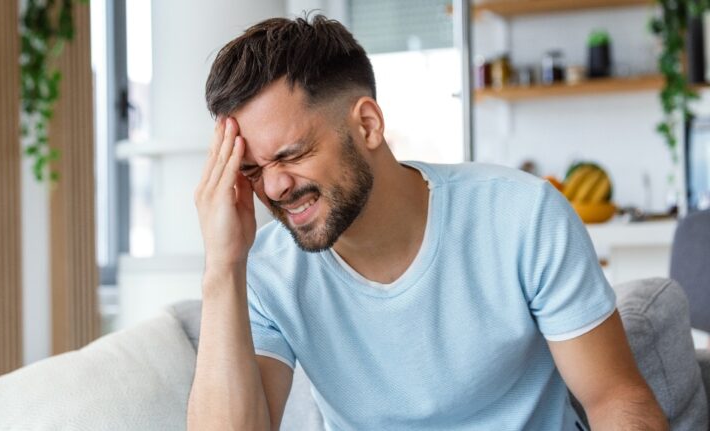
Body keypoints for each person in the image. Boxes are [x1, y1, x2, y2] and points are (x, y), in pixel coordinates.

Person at [188, 14, 667, 431]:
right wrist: (222, 267)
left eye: (291, 155)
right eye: (252, 170)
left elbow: (615, 398)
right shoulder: (267, 271)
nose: (273, 188)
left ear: (368, 125)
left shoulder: (523, 216)